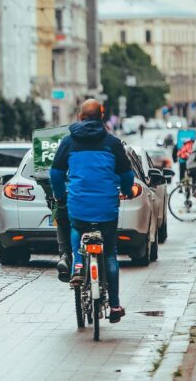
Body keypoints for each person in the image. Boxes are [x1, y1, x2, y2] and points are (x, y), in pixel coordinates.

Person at [50, 99, 135, 323]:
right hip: (107, 206)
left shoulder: (68, 142)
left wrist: (59, 195)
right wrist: (126, 190)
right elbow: (127, 176)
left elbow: (56, 175)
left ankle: (78, 264)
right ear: (102, 115)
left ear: (80, 116)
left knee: (77, 229)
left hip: (78, 204)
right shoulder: (113, 143)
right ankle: (115, 306)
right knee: (109, 253)